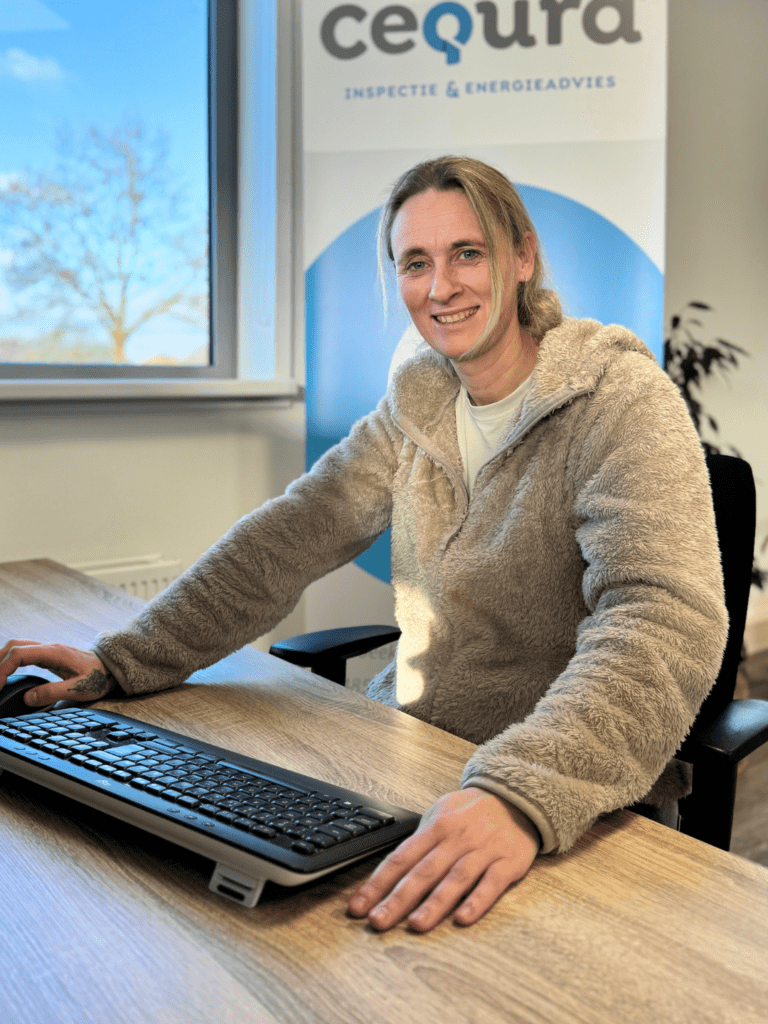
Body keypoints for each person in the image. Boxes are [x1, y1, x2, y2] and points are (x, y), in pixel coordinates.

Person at [0, 156, 728, 933]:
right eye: (415, 262)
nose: (440, 286)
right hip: (405, 757)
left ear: (522, 257)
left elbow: (662, 620)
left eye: (468, 253)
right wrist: (128, 658)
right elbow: (288, 537)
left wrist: (523, 791)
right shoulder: (418, 403)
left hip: (557, 799)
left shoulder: (619, 400)